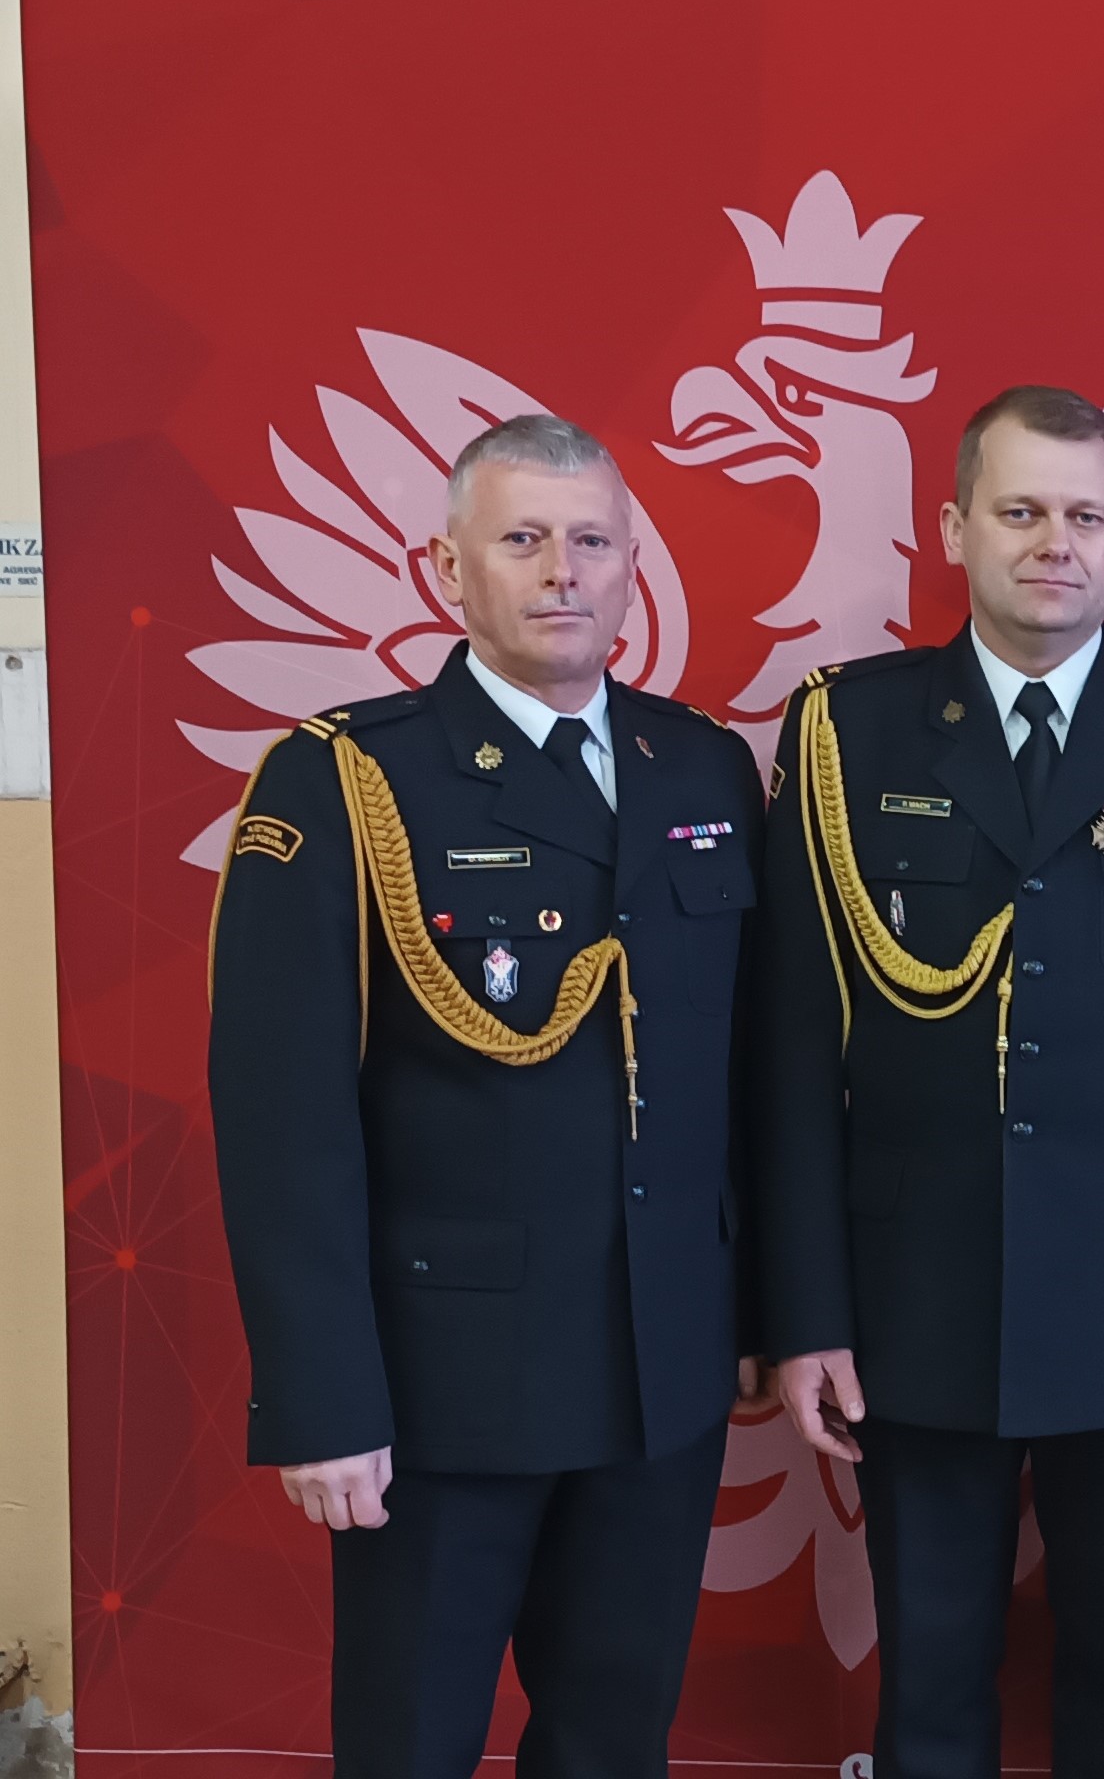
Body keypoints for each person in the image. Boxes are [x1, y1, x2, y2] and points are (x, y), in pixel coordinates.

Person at [753, 386, 1104, 1779]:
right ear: (954, 529)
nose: (1054, 544)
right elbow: (789, 1055)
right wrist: (805, 1311)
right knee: (930, 1692)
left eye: (1083, 515)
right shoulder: (845, 736)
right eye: (1019, 511)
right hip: (912, 1298)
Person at [208, 414, 765, 1776]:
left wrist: (754, 1315)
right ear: (448, 567)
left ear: (632, 567)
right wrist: (324, 1401)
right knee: (413, 1745)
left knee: (615, 1744)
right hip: (444, 1387)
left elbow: (745, 1075)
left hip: (660, 1373)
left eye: (591, 542)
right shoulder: (349, 779)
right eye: (522, 540)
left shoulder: (702, 767)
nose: (562, 572)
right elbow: (284, 1125)